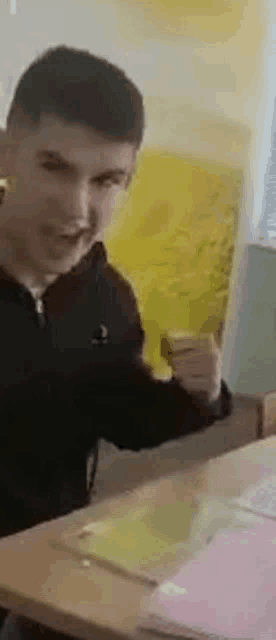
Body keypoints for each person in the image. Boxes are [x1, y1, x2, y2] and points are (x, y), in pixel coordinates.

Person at [0, 45, 232, 638]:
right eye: (55, 167)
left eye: (106, 180)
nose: (79, 210)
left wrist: (193, 395)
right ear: (7, 152)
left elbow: (123, 415)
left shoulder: (106, 296)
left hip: (45, 570)